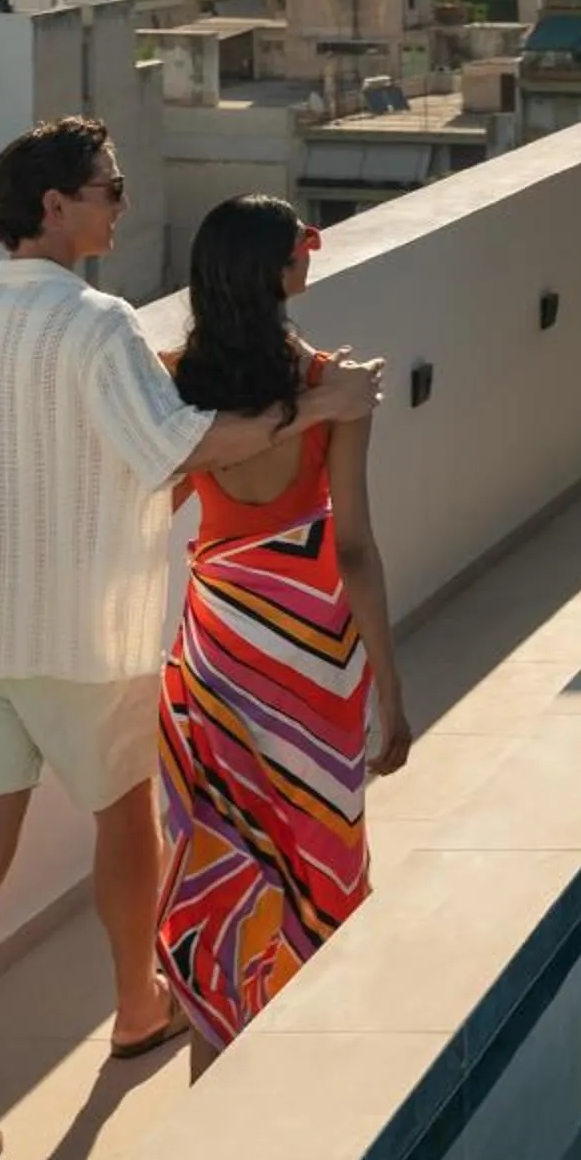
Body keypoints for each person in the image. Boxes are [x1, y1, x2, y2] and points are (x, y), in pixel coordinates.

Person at [0, 119, 380, 1160]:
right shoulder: (97, 325)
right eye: (108, 188)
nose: (120, 205)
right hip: (82, 635)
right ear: (53, 206)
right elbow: (186, 446)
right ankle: (140, 1010)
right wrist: (316, 404)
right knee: (125, 819)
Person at [156, 194, 411, 1062]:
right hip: (314, 647)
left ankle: (220, 1028)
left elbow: (160, 497)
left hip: (220, 635)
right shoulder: (335, 387)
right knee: (317, 829)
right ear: (278, 271)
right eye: (302, 244)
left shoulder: (174, 378)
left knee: (226, 832)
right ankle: (312, 1039)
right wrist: (391, 694)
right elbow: (357, 547)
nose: (310, 254)